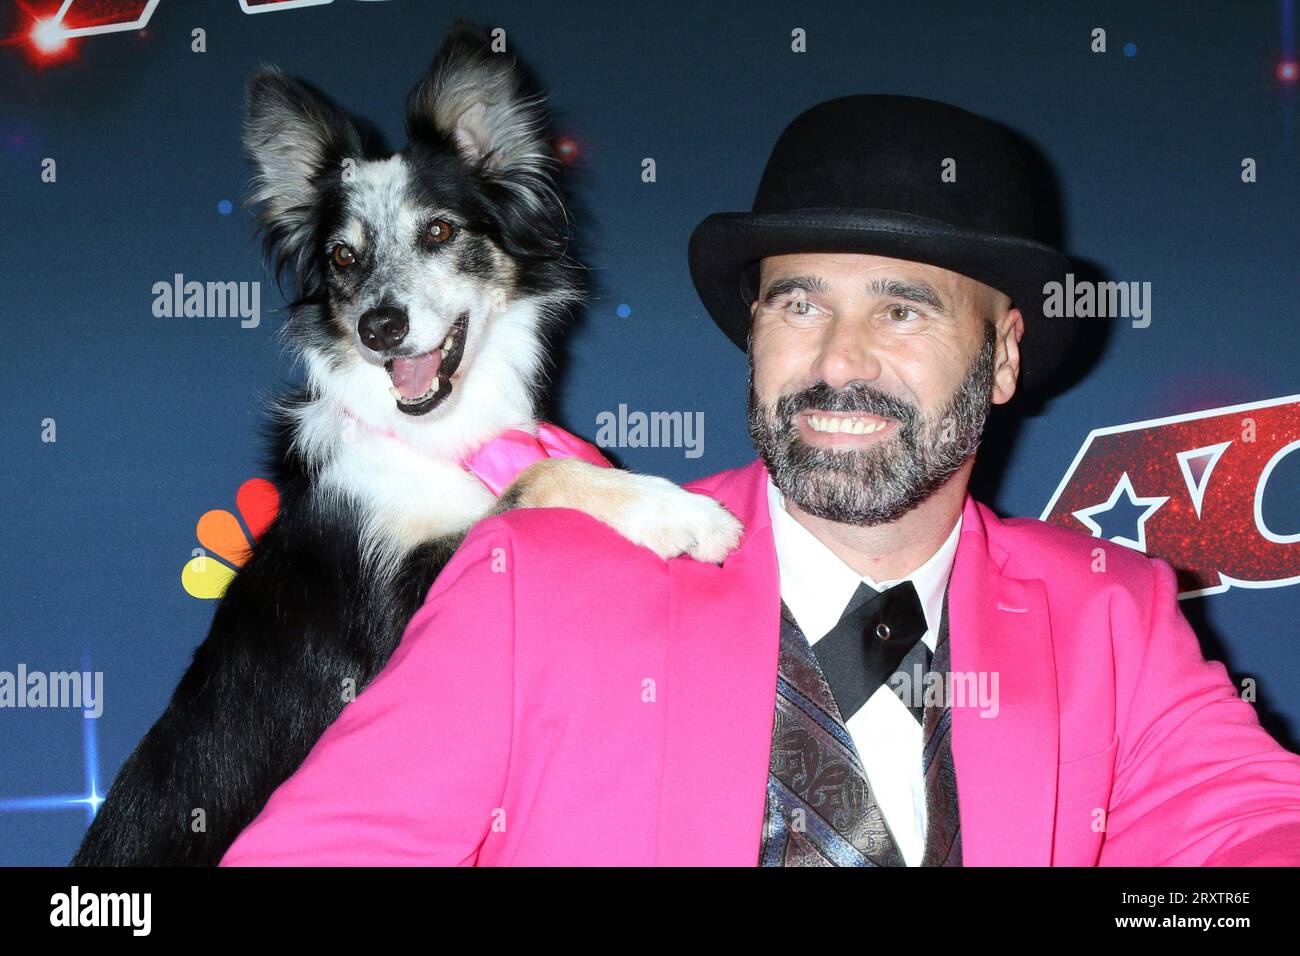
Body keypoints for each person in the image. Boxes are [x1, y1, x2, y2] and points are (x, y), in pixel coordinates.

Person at [220, 95, 1300, 866]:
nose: (836, 359)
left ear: (1004, 355)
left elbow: (1250, 829)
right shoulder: (532, 577)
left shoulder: (1112, 611)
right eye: (796, 304)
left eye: (901, 307)